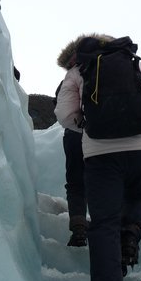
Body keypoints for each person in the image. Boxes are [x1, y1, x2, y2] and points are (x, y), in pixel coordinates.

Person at [55, 34, 141, 281]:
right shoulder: (134, 63)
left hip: (100, 154)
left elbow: (64, 114)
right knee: (139, 195)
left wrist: (89, 128)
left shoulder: (77, 71)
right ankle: (131, 230)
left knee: (104, 226)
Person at [54, 81, 88, 247]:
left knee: (75, 183)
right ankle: (106, 231)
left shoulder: (72, 76)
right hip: (104, 137)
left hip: (74, 134)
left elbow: (59, 104)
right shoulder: (108, 69)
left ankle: (79, 228)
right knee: (104, 183)